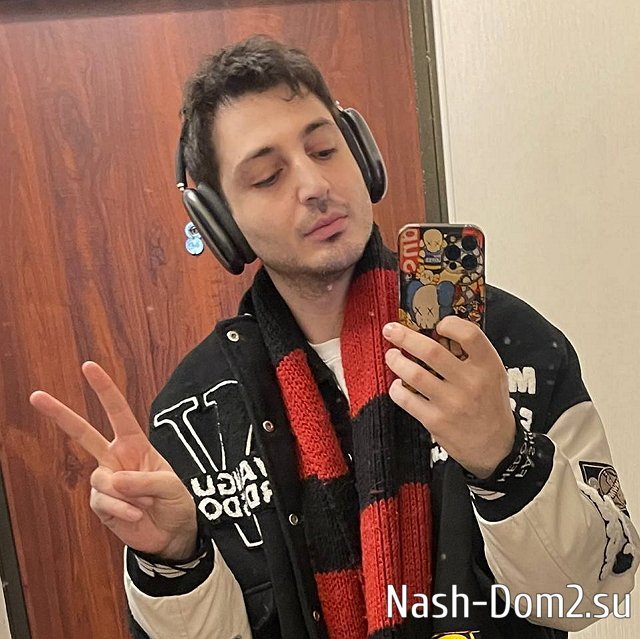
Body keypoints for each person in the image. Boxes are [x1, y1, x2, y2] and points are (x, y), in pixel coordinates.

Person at [30, 36, 638, 639]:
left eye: (324, 149)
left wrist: (505, 458)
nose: (314, 184)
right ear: (221, 223)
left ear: (362, 156)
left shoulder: (505, 343)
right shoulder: (195, 413)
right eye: (267, 177)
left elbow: (591, 597)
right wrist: (175, 562)